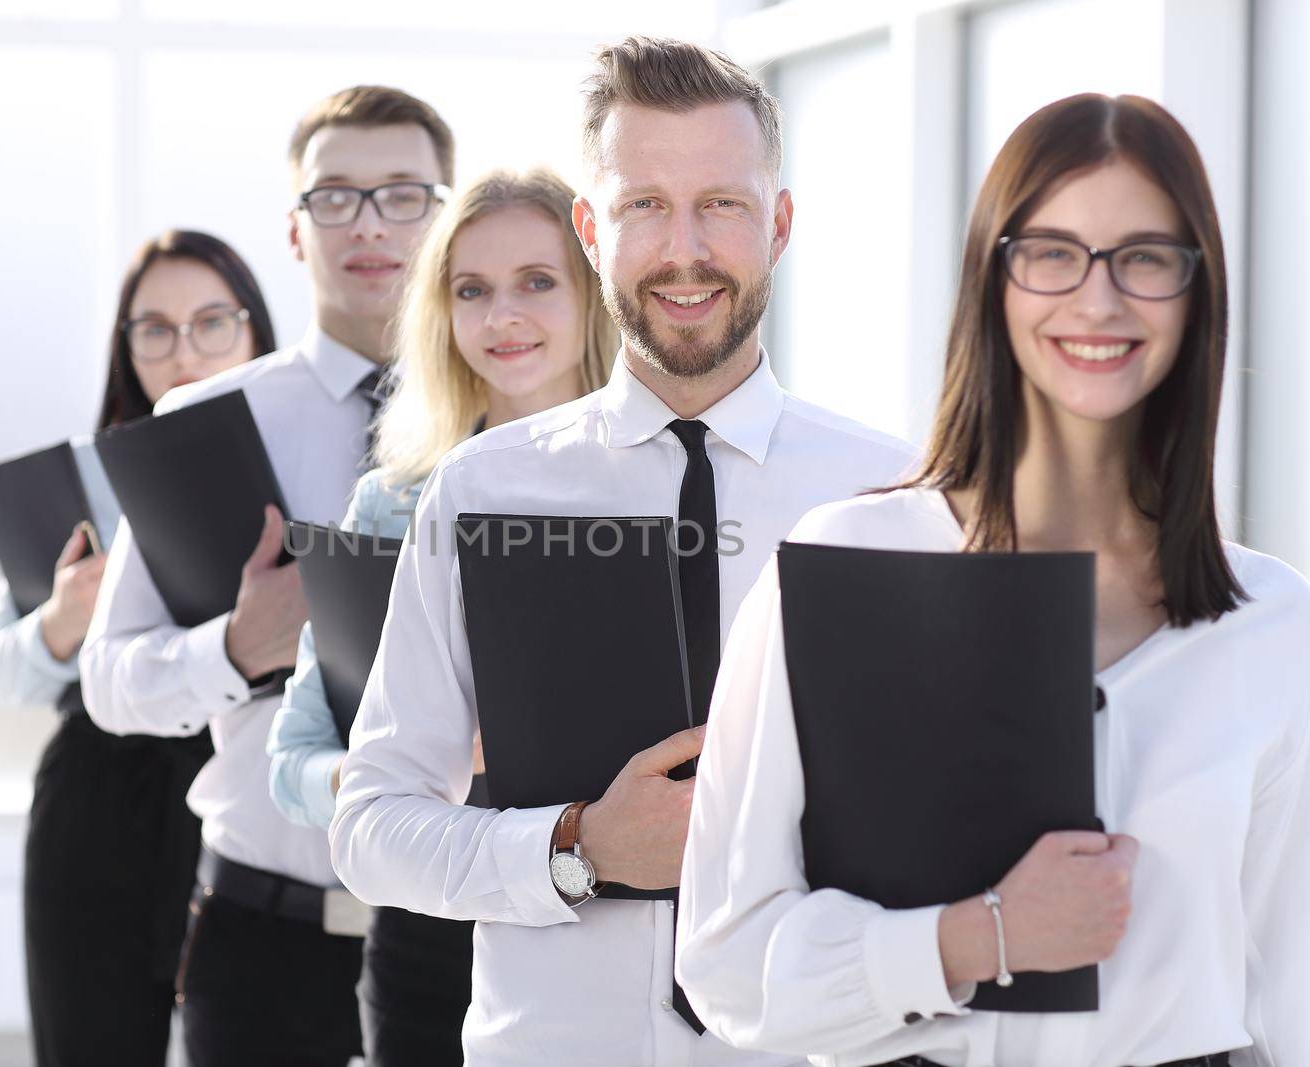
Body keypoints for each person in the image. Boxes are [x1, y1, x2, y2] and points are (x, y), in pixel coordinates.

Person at [676, 93, 1310, 1067]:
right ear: (993, 276)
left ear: (1196, 290)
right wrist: (981, 935)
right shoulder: (846, 564)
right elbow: (724, 963)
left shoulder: (1273, 622)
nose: (1098, 300)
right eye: (1052, 252)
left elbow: (1286, 1002)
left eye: (1144, 256)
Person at [328, 37, 915, 1067]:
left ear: (777, 225)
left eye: (720, 205)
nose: (683, 249)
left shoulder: (893, 497)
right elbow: (370, 826)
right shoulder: (483, 491)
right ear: (592, 231)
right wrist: (576, 848)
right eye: (644, 205)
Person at [79, 85, 453, 1067]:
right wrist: (237, 647)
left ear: (447, 214)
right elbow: (110, 680)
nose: (368, 223)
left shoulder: (522, 422)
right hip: (263, 940)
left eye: (403, 193)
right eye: (334, 196)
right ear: (294, 230)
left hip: (464, 932)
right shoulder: (207, 418)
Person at [267, 166, 617, 1066]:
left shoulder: (661, 492)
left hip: (606, 929)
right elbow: (293, 760)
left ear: (593, 295)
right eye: (473, 290)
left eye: (538, 282)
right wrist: (404, 763)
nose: (504, 317)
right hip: (427, 928)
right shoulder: (389, 508)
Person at [0, 229, 275, 1067]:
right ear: (126, 345)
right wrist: (62, 624)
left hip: (251, 798)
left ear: (254, 329)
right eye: (154, 328)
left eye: (211, 322)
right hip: (100, 805)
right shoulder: (87, 477)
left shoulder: (303, 454)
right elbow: (0, 665)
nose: (183, 350)